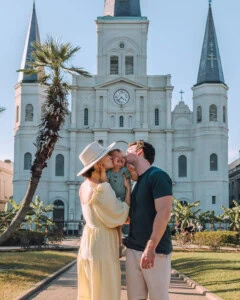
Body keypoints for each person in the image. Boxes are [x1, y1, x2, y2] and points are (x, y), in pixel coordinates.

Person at [77, 141, 130, 300]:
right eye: (106, 155)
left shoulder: (84, 186)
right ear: (99, 164)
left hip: (88, 241)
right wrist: (127, 191)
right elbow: (122, 216)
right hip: (103, 243)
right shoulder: (102, 188)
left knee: (91, 288)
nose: (110, 156)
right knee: (105, 288)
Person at [125, 141, 173, 300]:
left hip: (155, 252)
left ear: (139, 152)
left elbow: (164, 212)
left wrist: (151, 247)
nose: (125, 154)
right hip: (133, 250)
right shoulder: (137, 183)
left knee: (158, 297)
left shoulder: (157, 176)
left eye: (128, 150)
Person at [100, 148, 138, 256]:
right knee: (117, 226)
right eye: (117, 156)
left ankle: (127, 242)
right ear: (111, 160)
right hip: (114, 201)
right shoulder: (109, 172)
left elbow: (135, 178)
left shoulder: (125, 171)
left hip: (125, 200)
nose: (121, 158)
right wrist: (103, 171)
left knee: (128, 220)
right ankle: (118, 245)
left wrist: (132, 171)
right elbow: (105, 183)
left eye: (123, 156)